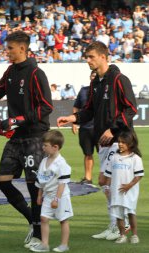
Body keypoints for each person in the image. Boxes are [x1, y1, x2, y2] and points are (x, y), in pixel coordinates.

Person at [0, 30, 53, 248]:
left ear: (22, 48)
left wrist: (17, 120)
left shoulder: (36, 73)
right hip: (17, 136)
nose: (6, 51)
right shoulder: (10, 71)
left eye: (10, 48)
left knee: (33, 188)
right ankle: (33, 221)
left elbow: (46, 107)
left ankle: (39, 236)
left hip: (35, 137)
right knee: (3, 182)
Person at [57, 41, 137, 241]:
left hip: (120, 139)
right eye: (86, 57)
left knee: (107, 181)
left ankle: (121, 224)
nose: (88, 61)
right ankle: (116, 223)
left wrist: (113, 129)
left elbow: (131, 109)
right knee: (106, 183)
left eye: (91, 56)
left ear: (103, 56)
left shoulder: (119, 79)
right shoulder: (96, 83)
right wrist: (72, 118)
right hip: (104, 140)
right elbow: (89, 111)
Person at [30, 130, 73, 253]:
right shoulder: (44, 161)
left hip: (60, 196)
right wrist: (39, 195)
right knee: (43, 218)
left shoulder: (61, 163)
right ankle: (45, 245)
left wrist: (57, 199)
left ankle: (64, 245)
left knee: (63, 220)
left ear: (55, 147)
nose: (42, 148)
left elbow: (62, 184)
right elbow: (40, 179)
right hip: (47, 196)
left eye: (45, 146)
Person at [104, 130, 144, 244]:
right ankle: (122, 235)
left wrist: (128, 186)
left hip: (129, 192)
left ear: (131, 143)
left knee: (131, 213)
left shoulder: (135, 158)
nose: (120, 144)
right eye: (119, 142)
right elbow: (109, 174)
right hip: (116, 191)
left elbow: (138, 175)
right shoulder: (114, 157)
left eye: (123, 142)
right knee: (118, 215)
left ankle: (134, 235)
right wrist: (107, 188)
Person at [72, 70, 97, 184]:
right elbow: (76, 107)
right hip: (85, 128)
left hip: (100, 128)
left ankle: (107, 178)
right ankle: (88, 178)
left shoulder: (104, 90)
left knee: (106, 154)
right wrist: (74, 123)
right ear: (90, 77)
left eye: (95, 76)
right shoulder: (83, 91)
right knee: (87, 154)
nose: (93, 78)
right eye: (92, 76)